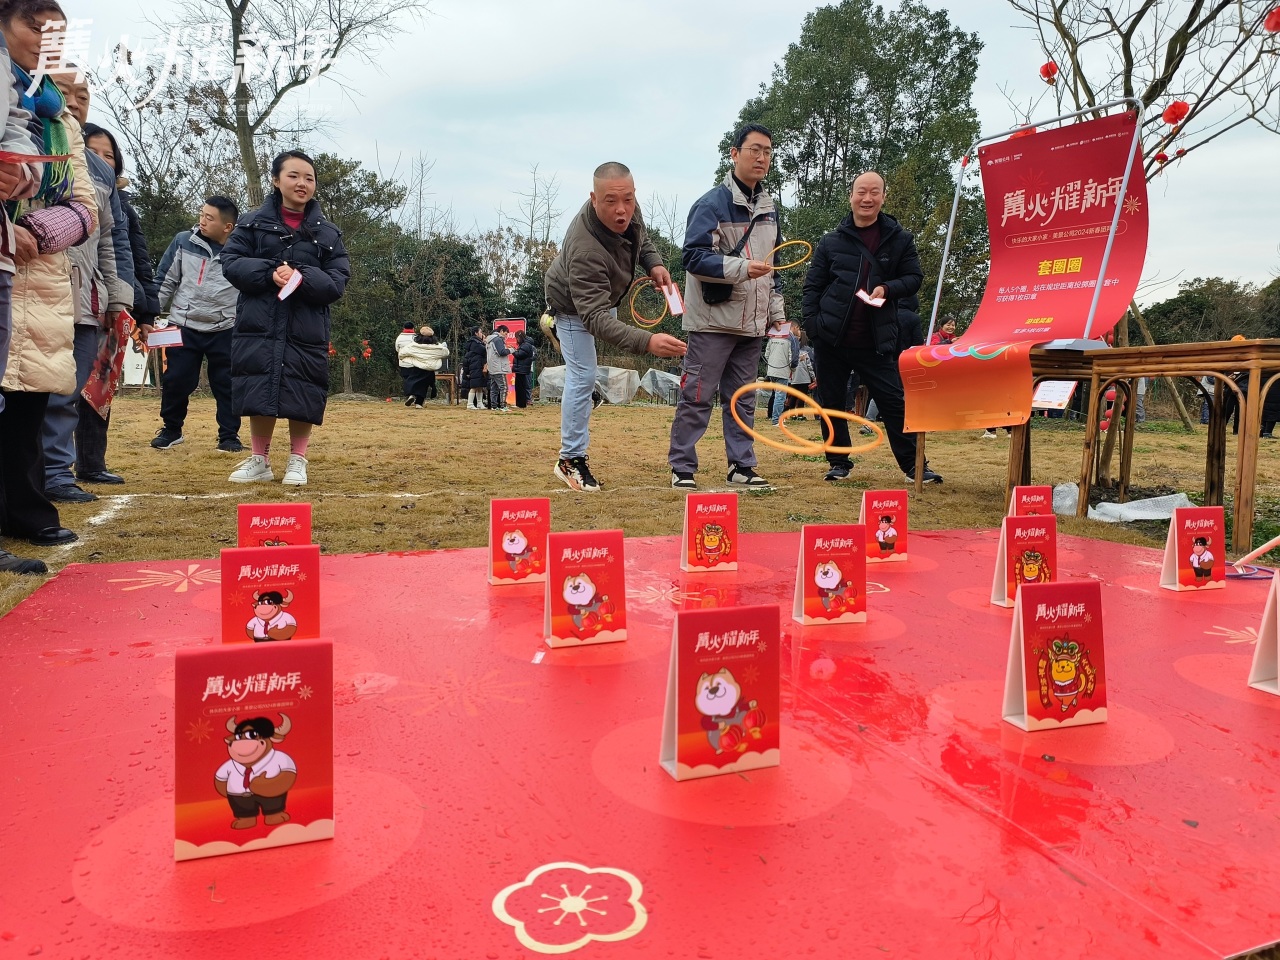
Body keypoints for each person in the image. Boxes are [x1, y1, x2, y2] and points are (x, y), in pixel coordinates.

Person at [0, 0, 97, 553]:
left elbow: (86, 207)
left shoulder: (61, 124)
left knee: (30, 400)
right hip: (3, 255)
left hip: (41, 275)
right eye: (34, 27)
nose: (45, 42)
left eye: (57, 36)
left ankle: (26, 510)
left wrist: (38, 231)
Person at [543, 161, 685, 491]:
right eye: (611, 201)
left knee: (585, 373)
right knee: (583, 374)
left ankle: (584, 396)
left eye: (628, 199)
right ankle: (569, 460)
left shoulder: (627, 208)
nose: (622, 210)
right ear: (594, 199)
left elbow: (641, 238)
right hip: (572, 306)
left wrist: (654, 264)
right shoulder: (585, 249)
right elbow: (594, 318)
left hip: (604, 296)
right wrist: (648, 342)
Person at [221, 150, 351, 487]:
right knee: (259, 385)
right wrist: (269, 272)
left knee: (302, 389)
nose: (302, 183)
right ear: (276, 181)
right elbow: (231, 262)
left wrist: (300, 275)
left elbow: (337, 282)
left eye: (309, 178)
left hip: (306, 325)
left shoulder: (329, 234)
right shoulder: (251, 223)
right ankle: (259, 459)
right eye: (293, 176)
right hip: (258, 323)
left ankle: (298, 459)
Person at [802, 171, 941, 484]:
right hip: (831, 339)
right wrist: (814, 326)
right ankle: (838, 462)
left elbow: (914, 278)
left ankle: (914, 466)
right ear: (850, 196)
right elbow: (812, 287)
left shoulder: (900, 239)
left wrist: (888, 288)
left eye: (874, 192)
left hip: (876, 339)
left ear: (883, 197)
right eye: (861, 192)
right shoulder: (831, 241)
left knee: (893, 402)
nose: (867, 198)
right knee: (832, 404)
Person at [668, 124, 785, 490]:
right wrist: (742, 269)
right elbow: (693, 257)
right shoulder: (710, 204)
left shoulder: (770, 209)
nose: (762, 157)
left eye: (767, 151)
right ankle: (682, 467)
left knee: (743, 399)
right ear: (734, 154)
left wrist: (777, 315)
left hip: (753, 325)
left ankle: (742, 465)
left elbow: (774, 266)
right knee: (697, 396)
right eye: (754, 149)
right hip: (712, 322)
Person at [40, 71, 134, 505]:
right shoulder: (24, 144)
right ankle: (24, 479)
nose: (75, 102)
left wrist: (118, 297)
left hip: (85, 296)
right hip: (31, 290)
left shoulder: (98, 171)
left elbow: (112, 239)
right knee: (24, 392)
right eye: (64, 92)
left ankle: (57, 473)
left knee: (68, 390)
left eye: (83, 95)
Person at [81, 122, 161, 481]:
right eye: (93, 152)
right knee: (64, 385)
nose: (101, 160)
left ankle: (92, 462)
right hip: (73, 298)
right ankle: (53, 469)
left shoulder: (125, 209)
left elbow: (138, 261)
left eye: (109, 155)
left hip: (116, 304)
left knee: (101, 384)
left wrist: (146, 312)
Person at [0, 10, 44, 573]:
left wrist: (20, 174)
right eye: (37, 26)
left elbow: (19, 139)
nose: (46, 42)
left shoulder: (13, 80)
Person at [149, 196, 242, 452]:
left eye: (209, 218)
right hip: (183, 324)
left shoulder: (242, 251)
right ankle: (171, 429)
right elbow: (164, 280)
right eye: (202, 214)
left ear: (228, 227)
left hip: (226, 327)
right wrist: (149, 315)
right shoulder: (183, 241)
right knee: (176, 380)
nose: (202, 221)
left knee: (228, 384)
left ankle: (229, 436)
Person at [395, 323, 447, 406]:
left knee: (412, 382)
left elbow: (402, 353)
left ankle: (412, 395)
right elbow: (445, 353)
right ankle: (419, 403)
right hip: (430, 370)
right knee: (424, 385)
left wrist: (410, 359)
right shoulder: (437, 346)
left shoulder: (414, 345)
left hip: (418, 368)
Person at [763, 320, 794, 426]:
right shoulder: (789, 341)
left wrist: (771, 364)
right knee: (780, 396)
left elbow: (766, 355)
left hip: (772, 370)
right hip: (782, 371)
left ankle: (775, 417)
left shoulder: (771, 339)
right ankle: (776, 420)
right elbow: (791, 358)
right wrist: (792, 370)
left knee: (776, 395)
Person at [485, 323, 512, 412]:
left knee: (494, 388)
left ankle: (494, 406)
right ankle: (503, 406)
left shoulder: (489, 340)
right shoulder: (498, 340)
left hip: (492, 367)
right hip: (499, 368)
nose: (506, 336)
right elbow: (502, 352)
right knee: (504, 387)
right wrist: (511, 350)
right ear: (501, 331)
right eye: (505, 333)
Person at [462, 324, 488, 410]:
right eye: (480, 332)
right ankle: (470, 404)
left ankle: (479, 403)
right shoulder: (475, 343)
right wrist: (485, 342)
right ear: (476, 333)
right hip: (475, 366)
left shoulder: (475, 342)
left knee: (480, 386)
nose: (482, 334)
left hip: (478, 366)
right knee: (474, 386)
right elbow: (484, 350)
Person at [512, 328, 535, 408]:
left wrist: (513, 351)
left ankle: (521, 404)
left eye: (517, 338)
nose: (516, 340)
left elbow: (519, 355)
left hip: (522, 369)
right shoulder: (525, 345)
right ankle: (520, 403)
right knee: (520, 386)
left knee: (520, 387)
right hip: (521, 368)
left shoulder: (526, 345)